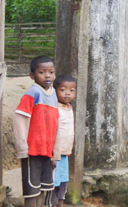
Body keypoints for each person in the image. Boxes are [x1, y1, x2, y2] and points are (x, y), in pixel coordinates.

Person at [12, 56, 59, 207]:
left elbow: (55, 123)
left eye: (51, 72)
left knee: (44, 188)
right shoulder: (32, 93)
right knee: (32, 190)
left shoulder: (53, 94)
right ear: (32, 76)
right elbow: (19, 119)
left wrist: (55, 152)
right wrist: (23, 147)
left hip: (47, 151)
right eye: (42, 72)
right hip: (32, 150)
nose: (47, 75)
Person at [51, 75, 77, 206]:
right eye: (63, 90)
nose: (68, 93)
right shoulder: (54, 109)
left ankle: (60, 203)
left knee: (63, 180)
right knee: (54, 181)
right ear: (54, 91)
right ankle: (51, 203)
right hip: (55, 153)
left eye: (72, 90)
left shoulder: (68, 107)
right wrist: (52, 155)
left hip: (65, 153)